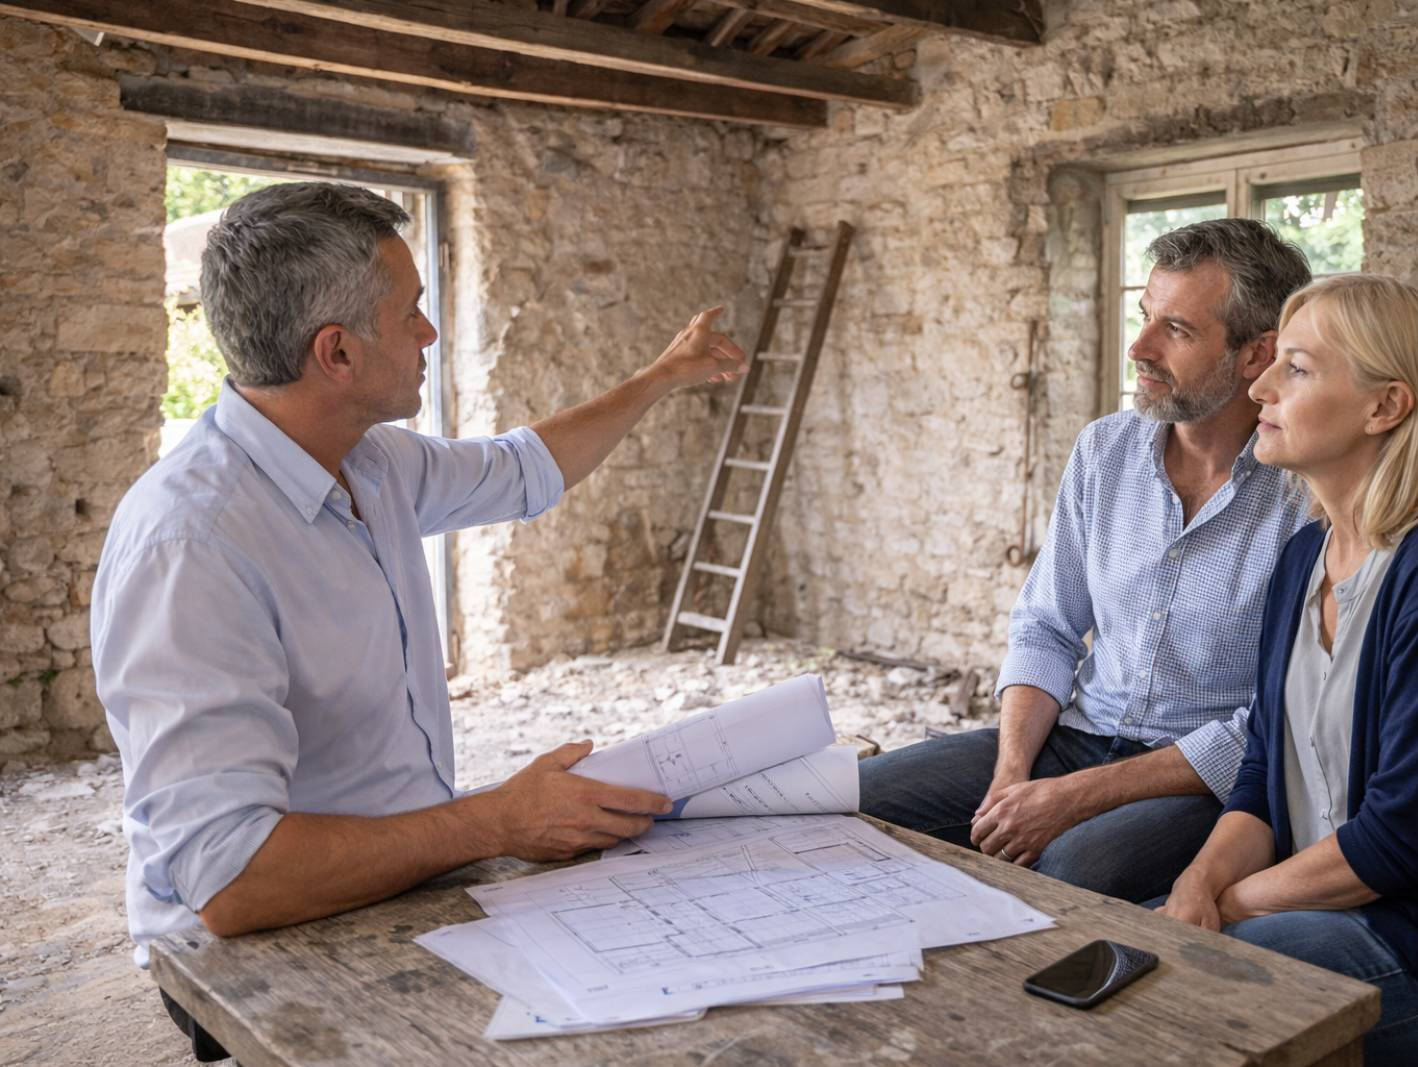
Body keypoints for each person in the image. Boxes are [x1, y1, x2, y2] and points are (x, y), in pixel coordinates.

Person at [90, 183, 747, 1060]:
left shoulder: (373, 460)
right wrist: (495, 822)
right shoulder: (192, 544)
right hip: (255, 950)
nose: (429, 333)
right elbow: (233, 880)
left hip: (409, 880)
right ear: (338, 353)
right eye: (413, 313)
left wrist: (661, 377)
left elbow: (523, 469)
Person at [1157, 274, 1418, 1066]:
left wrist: (1228, 903)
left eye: (1298, 369)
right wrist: (1197, 885)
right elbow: (1259, 779)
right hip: (1327, 917)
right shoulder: (1305, 556)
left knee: (1165, 993)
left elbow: (1402, 842)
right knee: (1131, 948)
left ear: (1387, 407)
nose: (1261, 382)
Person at [859, 219, 1311, 903]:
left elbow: (1271, 720)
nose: (1140, 347)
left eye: (1177, 330)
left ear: (1257, 355)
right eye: (1144, 317)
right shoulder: (1105, 450)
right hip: (1071, 738)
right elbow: (1046, 626)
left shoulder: (1303, 494)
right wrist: (1013, 772)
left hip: (1200, 779)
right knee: (862, 801)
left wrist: (1073, 797)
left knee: (1071, 874)